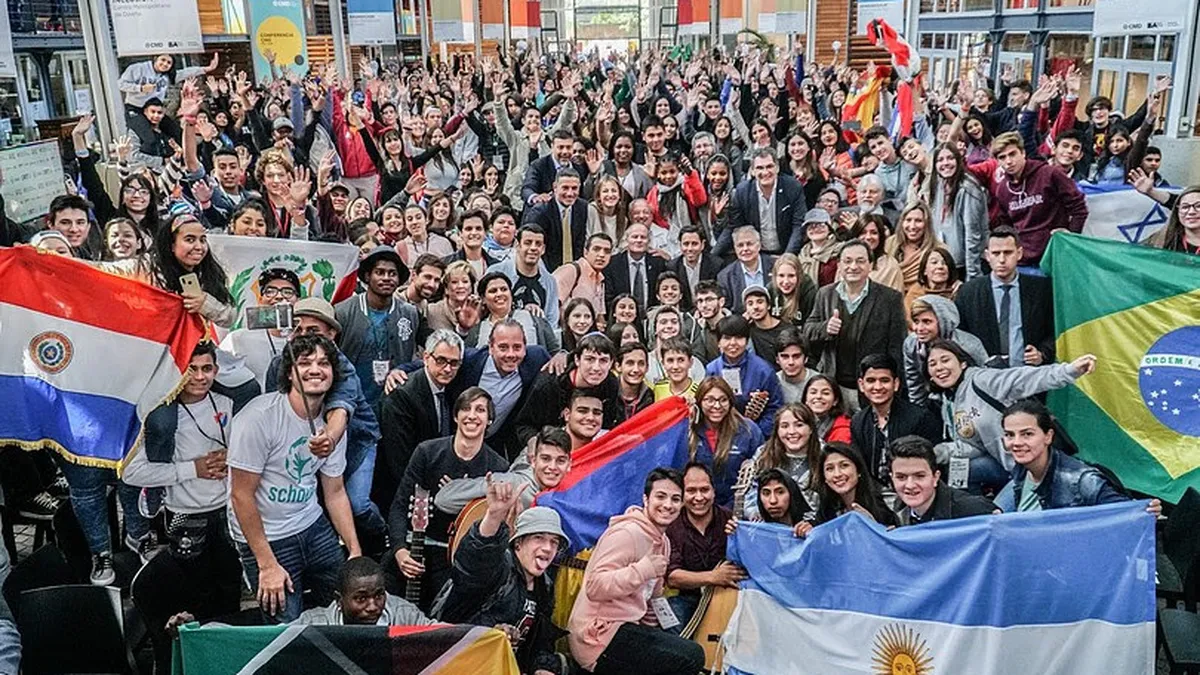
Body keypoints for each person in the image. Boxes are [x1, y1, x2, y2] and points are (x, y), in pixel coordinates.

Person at [227, 334, 361, 623]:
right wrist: (266, 565)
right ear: (289, 373)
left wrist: (354, 549)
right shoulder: (258, 417)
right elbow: (240, 495)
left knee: (347, 611)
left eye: (323, 363)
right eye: (305, 363)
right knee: (285, 629)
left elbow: (335, 491)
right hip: (268, 536)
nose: (315, 369)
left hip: (311, 524)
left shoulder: (333, 424)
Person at [123, 341, 241, 619]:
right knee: (196, 591)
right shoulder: (158, 417)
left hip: (226, 511)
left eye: (206, 369)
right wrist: (192, 469)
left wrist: (232, 457)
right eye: (191, 369)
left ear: (216, 370)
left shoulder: (226, 404)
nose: (200, 377)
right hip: (184, 516)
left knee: (231, 584)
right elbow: (131, 473)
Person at [567, 467, 706, 675]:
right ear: (646, 499)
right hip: (598, 637)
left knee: (683, 647)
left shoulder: (663, 542)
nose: (668, 505)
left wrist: (662, 629)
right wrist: (642, 570)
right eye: (661, 496)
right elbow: (595, 586)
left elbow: (652, 597)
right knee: (691, 656)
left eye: (675, 499)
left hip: (629, 627)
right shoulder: (627, 533)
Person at [438, 475, 573, 675]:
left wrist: (543, 667)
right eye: (539, 538)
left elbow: (538, 644)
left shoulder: (544, 587)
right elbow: (474, 563)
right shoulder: (498, 569)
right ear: (518, 543)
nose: (547, 547)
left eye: (554, 542)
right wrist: (493, 517)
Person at [389, 387, 509, 610]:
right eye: (466, 408)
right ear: (455, 416)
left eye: (480, 410)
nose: (472, 415)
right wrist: (399, 550)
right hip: (416, 544)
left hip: (456, 557)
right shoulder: (427, 452)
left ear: (490, 420)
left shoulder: (498, 467)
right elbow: (399, 505)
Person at [926, 339, 1097, 495]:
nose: (939, 367)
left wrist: (1069, 370)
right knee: (957, 470)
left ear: (963, 363)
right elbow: (974, 446)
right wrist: (937, 452)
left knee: (1002, 512)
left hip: (1030, 467)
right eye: (932, 363)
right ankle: (975, 511)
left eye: (945, 360)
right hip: (1005, 465)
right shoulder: (948, 402)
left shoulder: (981, 379)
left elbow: (1024, 379)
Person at [994, 400, 1161, 515]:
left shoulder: (1081, 480)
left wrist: (1147, 510)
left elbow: (1126, 512)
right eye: (1010, 435)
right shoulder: (1021, 469)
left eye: (1027, 434)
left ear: (1048, 436)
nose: (1017, 442)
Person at [803, 240, 907, 410]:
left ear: (870, 265)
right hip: (835, 385)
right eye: (848, 261)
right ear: (839, 265)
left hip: (873, 387)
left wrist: (894, 387)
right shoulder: (825, 294)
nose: (853, 266)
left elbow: (897, 347)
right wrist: (825, 328)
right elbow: (808, 330)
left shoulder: (890, 298)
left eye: (860, 261)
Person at [966, 132, 1087, 268]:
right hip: (1023, 260)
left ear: (1023, 153)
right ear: (998, 162)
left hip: (1055, 255)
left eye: (1012, 154)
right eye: (1002, 157)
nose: (1009, 161)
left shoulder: (1050, 174)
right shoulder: (1002, 189)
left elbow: (1079, 208)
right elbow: (1006, 225)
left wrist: (1071, 236)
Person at [376, 330, 465, 507]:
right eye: (441, 360)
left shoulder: (452, 387)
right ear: (426, 358)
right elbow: (399, 460)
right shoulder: (401, 396)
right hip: (400, 491)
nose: (448, 369)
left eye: (454, 363)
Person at [448, 319, 552, 460]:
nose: (510, 354)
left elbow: (563, 365)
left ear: (525, 347)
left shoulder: (536, 358)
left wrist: (562, 355)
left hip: (494, 445)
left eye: (517, 347)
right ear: (491, 347)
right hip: (453, 439)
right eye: (503, 347)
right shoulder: (469, 361)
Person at [955, 227, 1055, 368]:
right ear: (987, 255)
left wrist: (1042, 353)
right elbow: (960, 336)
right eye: (996, 253)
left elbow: (1056, 329)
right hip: (985, 374)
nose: (1002, 259)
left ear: (1019, 253)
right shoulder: (969, 292)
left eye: (1008, 253)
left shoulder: (1041, 289)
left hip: (1030, 373)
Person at [334, 246, 420, 405]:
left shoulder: (410, 313)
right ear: (368, 276)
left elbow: (430, 351)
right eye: (380, 272)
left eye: (392, 274)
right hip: (352, 401)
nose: (387, 278)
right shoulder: (343, 312)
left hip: (393, 402)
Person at [664, 463, 744, 632]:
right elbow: (672, 577)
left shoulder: (729, 518)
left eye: (704, 490)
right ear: (682, 494)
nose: (699, 497)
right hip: (688, 597)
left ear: (714, 491)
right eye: (691, 491)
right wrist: (713, 577)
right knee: (671, 626)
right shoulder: (671, 525)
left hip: (726, 594)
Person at [434, 426, 572, 517]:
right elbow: (443, 499)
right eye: (546, 459)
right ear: (533, 461)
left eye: (560, 461)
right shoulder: (511, 483)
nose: (552, 467)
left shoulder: (570, 494)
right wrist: (483, 492)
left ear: (569, 464)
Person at [850, 354, 942, 487]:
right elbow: (860, 466)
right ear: (861, 385)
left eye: (884, 380)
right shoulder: (858, 421)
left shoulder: (920, 418)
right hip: (873, 492)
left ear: (896, 384)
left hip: (913, 489)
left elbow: (932, 464)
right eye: (871, 380)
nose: (877, 387)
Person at [219, 268, 302, 391]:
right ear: (260, 299)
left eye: (287, 292)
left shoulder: (306, 337)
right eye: (270, 291)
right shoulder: (237, 339)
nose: (279, 296)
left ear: (298, 300)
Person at [689, 377, 764, 510]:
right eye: (710, 400)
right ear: (699, 402)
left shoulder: (749, 430)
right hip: (696, 505)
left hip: (738, 507)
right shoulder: (689, 430)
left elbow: (761, 473)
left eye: (723, 400)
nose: (717, 406)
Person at [889, 436, 997, 526]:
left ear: (935, 477)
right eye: (901, 477)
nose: (910, 485)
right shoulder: (898, 509)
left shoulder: (973, 511)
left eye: (920, 476)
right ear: (892, 478)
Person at [903, 295, 990, 406]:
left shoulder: (968, 345)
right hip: (934, 400)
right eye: (916, 321)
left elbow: (987, 379)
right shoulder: (912, 344)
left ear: (943, 321)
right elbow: (914, 383)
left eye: (927, 322)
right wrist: (918, 411)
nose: (919, 328)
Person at [704, 315, 783, 436]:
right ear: (718, 342)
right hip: (719, 434)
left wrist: (755, 433)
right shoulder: (712, 369)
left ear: (747, 341)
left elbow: (775, 409)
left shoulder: (763, 370)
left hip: (755, 434)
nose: (733, 343)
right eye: (727, 338)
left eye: (739, 337)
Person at [297, 557, 433, 626]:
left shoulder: (405, 615)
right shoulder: (312, 625)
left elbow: (440, 637)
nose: (372, 607)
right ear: (339, 600)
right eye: (361, 599)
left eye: (379, 595)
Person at [722, 148, 807, 258]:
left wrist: (787, 257)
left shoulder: (793, 187)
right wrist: (713, 256)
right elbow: (734, 226)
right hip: (757, 255)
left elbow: (798, 225)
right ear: (753, 171)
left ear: (777, 168)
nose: (765, 172)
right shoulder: (742, 191)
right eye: (760, 168)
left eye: (769, 166)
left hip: (787, 250)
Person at [744, 403, 823, 520]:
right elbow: (751, 492)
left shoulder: (824, 454)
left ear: (811, 428)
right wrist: (755, 513)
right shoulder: (764, 453)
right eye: (784, 426)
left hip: (815, 524)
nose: (791, 431)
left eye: (799, 425)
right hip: (771, 524)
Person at [922, 143, 988, 279]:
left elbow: (973, 234)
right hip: (947, 262)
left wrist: (972, 275)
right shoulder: (939, 185)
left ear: (958, 160)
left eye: (950, 158)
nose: (945, 163)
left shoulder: (968, 188)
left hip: (966, 264)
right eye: (940, 160)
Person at [811, 442, 898, 527]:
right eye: (830, 469)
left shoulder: (885, 498)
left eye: (844, 465)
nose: (837, 474)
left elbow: (901, 531)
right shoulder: (825, 507)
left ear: (858, 470)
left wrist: (874, 526)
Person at [493, 225, 563, 327]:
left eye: (538, 244)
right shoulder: (497, 272)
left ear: (543, 249)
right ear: (517, 246)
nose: (533, 248)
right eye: (528, 243)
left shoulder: (550, 282)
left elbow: (552, 321)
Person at [522, 167, 590, 272]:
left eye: (574, 188)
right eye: (565, 188)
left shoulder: (583, 208)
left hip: (576, 271)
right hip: (546, 271)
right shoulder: (540, 212)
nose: (570, 193)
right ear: (555, 187)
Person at [604, 222, 665, 313]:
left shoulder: (658, 263)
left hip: (652, 316)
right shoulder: (613, 264)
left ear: (649, 241)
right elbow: (609, 297)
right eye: (635, 237)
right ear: (627, 239)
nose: (639, 240)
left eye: (643, 237)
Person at [554, 233, 613, 328]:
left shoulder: (600, 279)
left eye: (607, 251)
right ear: (585, 252)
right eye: (596, 249)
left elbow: (600, 315)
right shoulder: (571, 270)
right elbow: (552, 304)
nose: (602, 255)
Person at [717, 226, 776, 314]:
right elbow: (726, 309)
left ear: (759, 245)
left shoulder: (776, 266)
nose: (745, 249)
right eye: (740, 245)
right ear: (735, 248)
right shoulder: (725, 276)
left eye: (749, 244)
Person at [668, 226, 721, 310]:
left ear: (702, 244)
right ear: (680, 245)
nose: (690, 249)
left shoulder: (716, 264)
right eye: (686, 244)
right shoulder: (672, 267)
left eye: (694, 244)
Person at [610, 342, 655, 424]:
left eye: (641, 364)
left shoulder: (651, 397)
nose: (636, 369)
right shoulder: (608, 394)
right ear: (618, 366)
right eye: (630, 363)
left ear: (647, 367)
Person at [795, 209, 840, 288]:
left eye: (821, 225)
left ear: (829, 228)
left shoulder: (839, 250)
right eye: (811, 226)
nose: (816, 229)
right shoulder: (802, 255)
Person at [743, 284, 786, 365]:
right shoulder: (747, 331)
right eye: (750, 304)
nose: (755, 307)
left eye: (760, 302)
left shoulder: (787, 329)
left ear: (768, 305)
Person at [774, 328, 818, 404]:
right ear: (777, 359)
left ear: (806, 359)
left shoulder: (819, 382)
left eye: (796, 356)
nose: (791, 362)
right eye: (785, 357)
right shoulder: (772, 382)